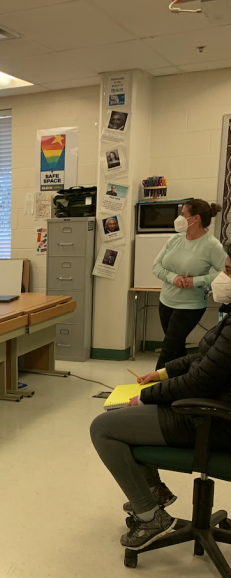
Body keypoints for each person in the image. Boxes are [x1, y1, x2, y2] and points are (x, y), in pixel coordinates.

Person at [90, 244, 231, 552]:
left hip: (214, 420)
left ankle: (150, 514)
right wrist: (163, 373)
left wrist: (146, 397)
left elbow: (199, 381)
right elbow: (204, 358)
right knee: (120, 423)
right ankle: (154, 493)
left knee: (103, 428)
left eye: (229, 272)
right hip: (212, 409)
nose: (222, 278)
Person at [152, 199, 226, 369]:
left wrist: (197, 281)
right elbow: (156, 266)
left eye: (183, 214)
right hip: (166, 301)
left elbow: (225, 272)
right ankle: (182, 386)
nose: (179, 217)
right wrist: (173, 278)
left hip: (190, 306)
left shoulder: (212, 245)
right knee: (176, 348)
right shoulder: (174, 240)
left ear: (195, 218)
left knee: (168, 349)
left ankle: (151, 390)